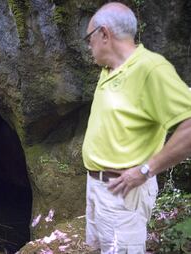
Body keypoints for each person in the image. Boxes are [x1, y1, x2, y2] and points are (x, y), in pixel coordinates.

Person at [82, 2, 191, 253]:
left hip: (124, 192)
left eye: (90, 38)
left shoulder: (151, 69)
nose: (88, 46)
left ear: (105, 34)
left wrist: (145, 170)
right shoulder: (110, 69)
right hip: (98, 186)